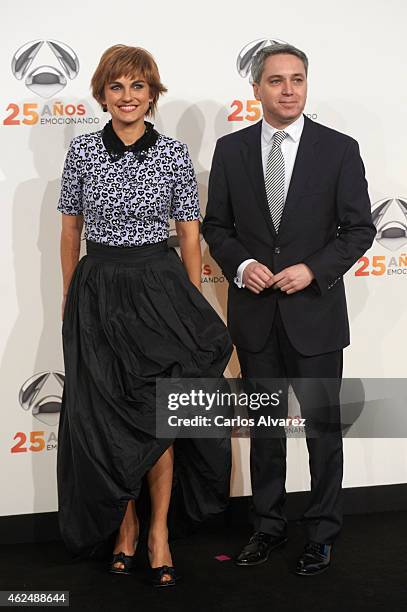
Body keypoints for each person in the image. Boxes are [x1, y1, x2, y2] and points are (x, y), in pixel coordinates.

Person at [57, 44, 232, 587]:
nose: (128, 97)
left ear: (152, 94)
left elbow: (188, 234)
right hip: (100, 291)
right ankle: (125, 527)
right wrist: (71, 297)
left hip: (159, 289)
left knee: (162, 416)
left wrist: (187, 300)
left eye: (138, 86)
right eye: (117, 87)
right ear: (102, 94)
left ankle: (158, 530)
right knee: (108, 420)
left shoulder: (175, 154)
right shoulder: (83, 151)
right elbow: (70, 232)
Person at [202, 43, 376, 575]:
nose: (288, 90)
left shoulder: (339, 149)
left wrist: (314, 270)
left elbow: (361, 229)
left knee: (324, 432)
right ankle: (268, 526)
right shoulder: (231, 152)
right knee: (265, 433)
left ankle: (322, 532)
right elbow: (217, 228)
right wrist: (241, 263)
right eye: (276, 80)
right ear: (256, 88)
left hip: (316, 317)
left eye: (297, 79)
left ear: (306, 85)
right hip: (255, 318)